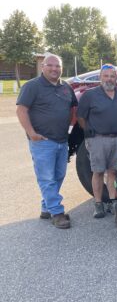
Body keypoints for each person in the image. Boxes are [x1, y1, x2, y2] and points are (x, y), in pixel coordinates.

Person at [16, 53, 77, 229]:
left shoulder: (66, 87)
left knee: (58, 175)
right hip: (42, 141)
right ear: (43, 67)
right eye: (50, 65)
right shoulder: (32, 86)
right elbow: (21, 111)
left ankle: (46, 207)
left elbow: (73, 107)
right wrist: (32, 133)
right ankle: (57, 213)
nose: (54, 69)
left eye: (57, 66)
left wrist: (70, 126)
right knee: (46, 178)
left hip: (61, 140)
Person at [77, 64, 117, 223]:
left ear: (116, 78)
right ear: (100, 78)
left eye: (112, 76)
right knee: (98, 172)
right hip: (97, 140)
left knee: (113, 172)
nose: (109, 79)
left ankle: (113, 201)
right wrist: (89, 132)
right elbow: (81, 116)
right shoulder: (90, 95)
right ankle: (98, 203)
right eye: (106, 76)